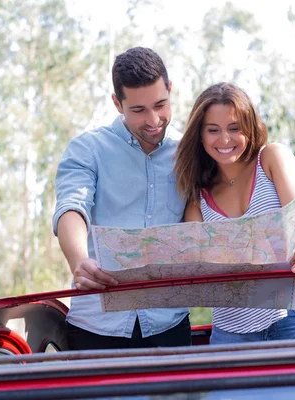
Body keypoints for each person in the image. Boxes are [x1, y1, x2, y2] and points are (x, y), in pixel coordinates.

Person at [52, 47, 190, 350]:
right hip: (96, 327)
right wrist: (79, 261)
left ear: (170, 89)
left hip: (171, 327)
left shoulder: (189, 151)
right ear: (118, 103)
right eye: (139, 110)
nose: (153, 120)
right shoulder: (88, 149)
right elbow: (71, 206)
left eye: (161, 104)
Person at [174, 82, 295, 344]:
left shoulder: (271, 158)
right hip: (231, 328)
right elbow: (200, 263)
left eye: (234, 128)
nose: (225, 139)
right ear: (199, 135)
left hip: (294, 310)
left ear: (249, 127)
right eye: (213, 130)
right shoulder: (197, 198)